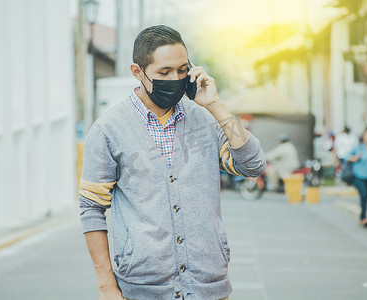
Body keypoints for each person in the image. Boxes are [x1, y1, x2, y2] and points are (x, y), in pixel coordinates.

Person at [78, 25, 266, 300]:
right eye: (163, 72)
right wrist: (106, 284)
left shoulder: (205, 117)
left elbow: (253, 165)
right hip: (142, 289)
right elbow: (91, 206)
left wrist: (216, 106)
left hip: (209, 286)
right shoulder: (109, 130)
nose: (175, 78)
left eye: (181, 70)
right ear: (137, 72)